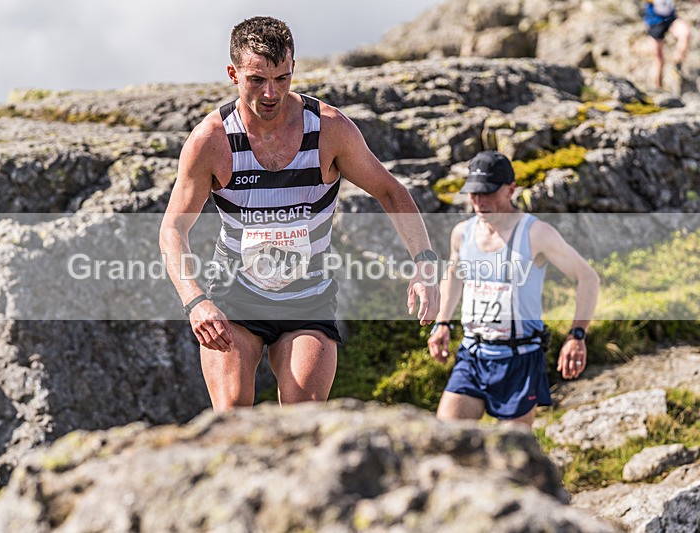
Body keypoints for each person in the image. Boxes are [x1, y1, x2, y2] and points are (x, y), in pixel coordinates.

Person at [160, 16, 440, 412]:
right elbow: (173, 228)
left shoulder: (329, 130)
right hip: (234, 298)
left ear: (293, 70)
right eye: (257, 80)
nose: (270, 93)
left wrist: (424, 263)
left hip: (307, 300)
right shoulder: (212, 140)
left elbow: (390, 191)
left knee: (302, 418)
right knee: (232, 415)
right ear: (233, 74)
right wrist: (195, 300)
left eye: (282, 78)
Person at [428, 151, 600, 428]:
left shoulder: (536, 234)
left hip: (519, 360)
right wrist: (442, 323)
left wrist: (577, 335)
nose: (480, 201)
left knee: (511, 455)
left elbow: (588, 278)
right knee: (444, 439)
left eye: (487, 192)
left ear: (510, 189)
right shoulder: (462, 232)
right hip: (473, 354)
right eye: (474, 193)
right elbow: (455, 274)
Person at [642, 0, 692, 89]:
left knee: (686, 33)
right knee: (659, 60)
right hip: (655, 23)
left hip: (670, 20)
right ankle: (658, 88)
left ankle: (678, 62)